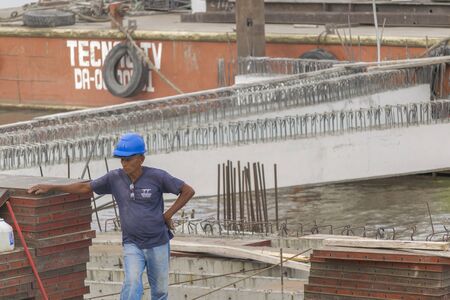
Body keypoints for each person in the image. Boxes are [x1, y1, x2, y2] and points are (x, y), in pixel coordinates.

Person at [28, 133, 195, 300]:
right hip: (132, 243)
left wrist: (167, 215)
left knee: (159, 291)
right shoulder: (115, 178)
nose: (124, 163)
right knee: (131, 284)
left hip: (158, 242)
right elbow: (85, 187)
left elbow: (187, 191)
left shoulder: (158, 177)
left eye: (128, 159)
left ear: (141, 159)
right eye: (121, 159)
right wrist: (51, 187)